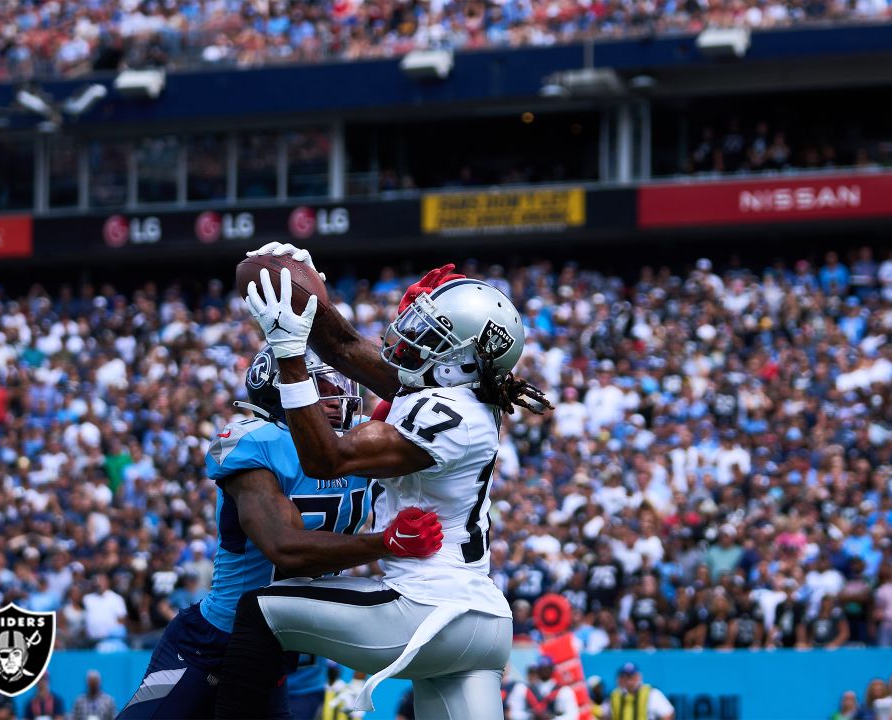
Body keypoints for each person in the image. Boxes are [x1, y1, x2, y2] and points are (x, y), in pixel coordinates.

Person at [216, 255, 551, 720]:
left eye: (434, 335)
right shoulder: (456, 393)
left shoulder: (448, 414)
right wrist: (310, 303)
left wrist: (291, 358)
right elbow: (344, 346)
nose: (411, 335)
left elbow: (325, 461)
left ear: (464, 361)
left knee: (260, 611)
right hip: (482, 624)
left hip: (425, 610)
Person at [117, 347, 442, 720]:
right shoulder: (259, 443)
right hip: (212, 643)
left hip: (275, 645)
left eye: (340, 385)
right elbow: (283, 547)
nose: (340, 399)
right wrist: (384, 543)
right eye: (322, 387)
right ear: (279, 392)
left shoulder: (354, 443)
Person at [505, 657, 578, 720]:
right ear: (537, 670)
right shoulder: (523, 689)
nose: (544, 671)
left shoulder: (563, 691)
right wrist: (531, 716)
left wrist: (552, 718)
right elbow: (512, 713)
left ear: (552, 669)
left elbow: (572, 715)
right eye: (542, 668)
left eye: (547, 668)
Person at [604, 663, 673, 720]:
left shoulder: (651, 693)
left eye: (631, 676)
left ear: (639, 676)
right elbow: (605, 714)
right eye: (625, 676)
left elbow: (667, 713)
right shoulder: (615, 694)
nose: (629, 680)